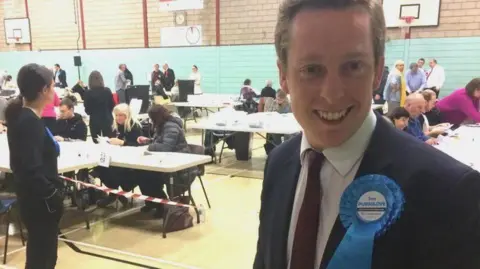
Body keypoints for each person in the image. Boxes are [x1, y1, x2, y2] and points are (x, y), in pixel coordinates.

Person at [254, 1, 480, 269]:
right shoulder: (278, 164)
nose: (332, 93)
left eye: (353, 66)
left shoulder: (451, 193)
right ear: (283, 76)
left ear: (376, 72)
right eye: (311, 69)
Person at [6, 63, 64, 268]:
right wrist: (53, 196)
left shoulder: (28, 118)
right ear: (44, 90)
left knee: (44, 257)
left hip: (37, 200)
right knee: (42, 260)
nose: (54, 92)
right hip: (39, 202)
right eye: (53, 86)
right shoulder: (28, 122)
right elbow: (30, 169)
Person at [136, 104, 195, 218]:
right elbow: (161, 142)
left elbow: (165, 147)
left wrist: (150, 147)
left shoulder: (170, 127)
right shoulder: (163, 125)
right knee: (140, 173)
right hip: (165, 160)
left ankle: (162, 204)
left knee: (148, 176)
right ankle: (152, 202)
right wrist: (149, 141)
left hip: (179, 166)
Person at [96, 103, 142, 208]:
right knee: (101, 167)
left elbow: (138, 146)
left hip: (131, 160)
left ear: (127, 115)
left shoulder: (135, 127)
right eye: (116, 115)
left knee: (114, 170)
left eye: (121, 115)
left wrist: (122, 143)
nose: (118, 118)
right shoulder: (115, 126)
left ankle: (115, 194)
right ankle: (114, 193)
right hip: (116, 157)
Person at [84, 70, 115, 142]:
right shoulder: (107, 91)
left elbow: (87, 110)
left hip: (94, 121)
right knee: (110, 143)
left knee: (96, 144)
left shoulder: (87, 93)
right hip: (107, 119)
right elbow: (112, 105)